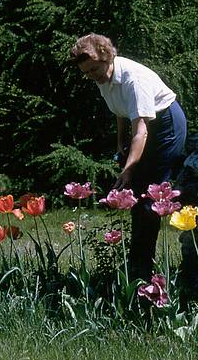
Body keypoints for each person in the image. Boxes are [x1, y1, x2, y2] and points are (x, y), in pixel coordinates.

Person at [69, 33, 187, 281]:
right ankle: (138, 263)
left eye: (95, 69)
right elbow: (121, 111)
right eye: (87, 73)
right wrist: (120, 142)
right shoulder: (103, 79)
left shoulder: (134, 79)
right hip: (140, 130)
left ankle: (146, 272)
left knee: (151, 196)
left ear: (107, 56)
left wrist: (128, 168)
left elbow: (141, 131)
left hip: (165, 126)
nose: (93, 76)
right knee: (137, 195)